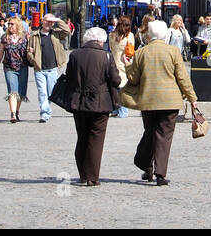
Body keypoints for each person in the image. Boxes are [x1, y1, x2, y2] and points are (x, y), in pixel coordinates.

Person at [124, 20, 201, 186]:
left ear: (149, 35)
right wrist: (192, 98)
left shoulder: (141, 52)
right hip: (170, 101)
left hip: (148, 100)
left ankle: (147, 167)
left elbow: (133, 78)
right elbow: (182, 78)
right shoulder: (173, 52)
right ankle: (160, 174)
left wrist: (127, 65)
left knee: (150, 133)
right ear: (165, 34)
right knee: (163, 136)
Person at [65, 26, 121, 186]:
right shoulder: (106, 57)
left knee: (82, 137)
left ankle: (83, 174)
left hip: (79, 102)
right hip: (100, 104)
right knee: (96, 139)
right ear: (99, 41)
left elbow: (69, 76)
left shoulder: (75, 54)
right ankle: (92, 177)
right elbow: (115, 80)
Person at [27, 14, 70, 122]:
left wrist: (58, 19)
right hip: (39, 69)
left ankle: (47, 109)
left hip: (52, 69)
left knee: (51, 92)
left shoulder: (55, 33)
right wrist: (34, 60)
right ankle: (44, 114)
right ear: (42, 21)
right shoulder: (35, 35)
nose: (49, 24)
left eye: (51, 22)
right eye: (47, 21)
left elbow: (67, 30)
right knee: (42, 92)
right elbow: (29, 50)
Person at [0, 17, 28, 123]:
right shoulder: (5, 38)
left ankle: (16, 111)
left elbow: (30, 51)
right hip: (9, 67)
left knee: (20, 92)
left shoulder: (24, 38)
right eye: (9, 24)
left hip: (23, 67)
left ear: (18, 25)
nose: (10, 26)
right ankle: (13, 114)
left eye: (12, 24)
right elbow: (0, 53)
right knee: (12, 90)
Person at [109, 15, 136, 118]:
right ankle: (123, 111)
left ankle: (115, 110)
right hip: (124, 64)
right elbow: (130, 51)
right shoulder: (130, 36)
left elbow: (111, 49)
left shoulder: (111, 35)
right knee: (123, 88)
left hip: (113, 63)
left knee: (114, 87)